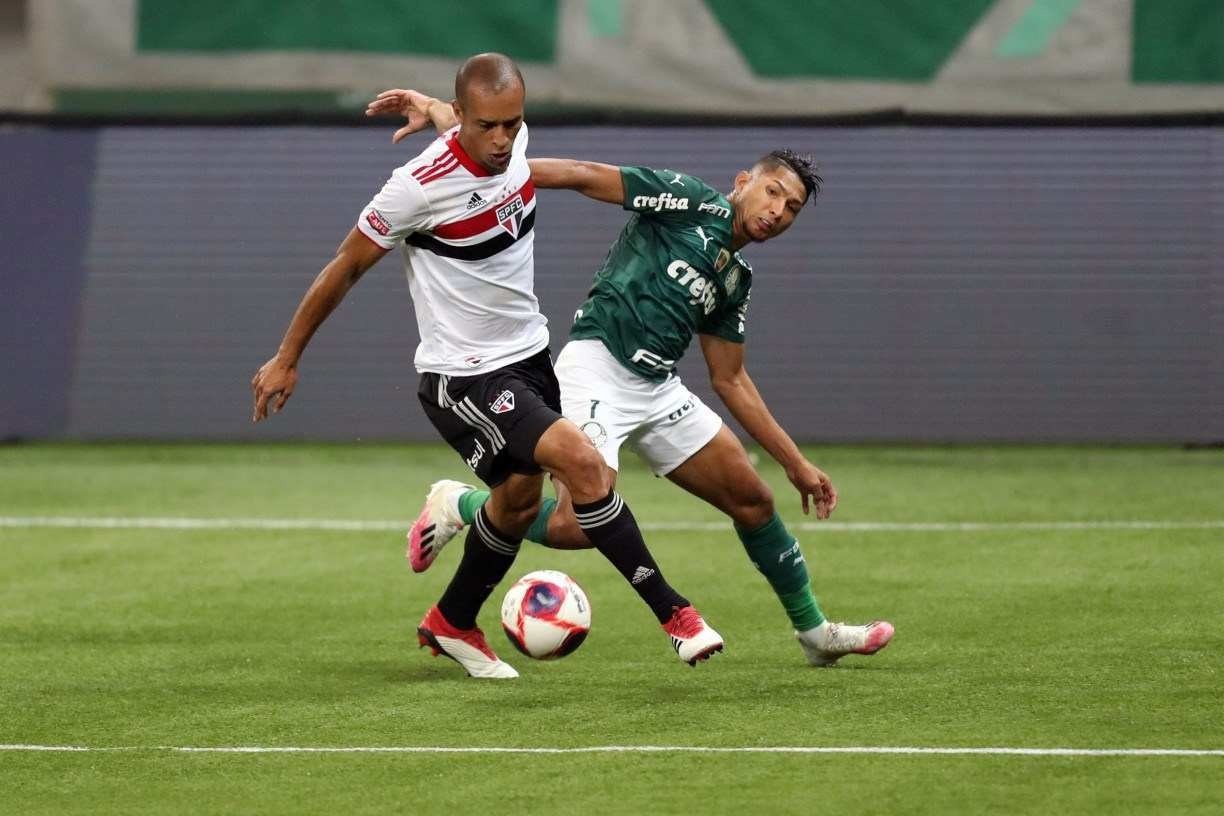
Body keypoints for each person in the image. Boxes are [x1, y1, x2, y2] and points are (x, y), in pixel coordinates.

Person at [373, 90, 893, 667]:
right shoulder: (690, 201)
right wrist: (499, 179)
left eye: (792, 207)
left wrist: (797, 464)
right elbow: (584, 173)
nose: (778, 210)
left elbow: (732, 380)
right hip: (595, 368)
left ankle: (815, 633)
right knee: (575, 527)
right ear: (744, 180)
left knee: (754, 500)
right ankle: (462, 503)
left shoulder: (735, 279)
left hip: (658, 388)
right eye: (773, 191)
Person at [252, 53, 724, 681]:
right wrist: (287, 357)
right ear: (465, 122)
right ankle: (678, 617)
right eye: (488, 126)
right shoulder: (417, 185)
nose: (504, 140)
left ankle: (451, 620)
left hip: (530, 358)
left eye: (513, 123)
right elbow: (345, 265)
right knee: (582, 463)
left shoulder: (505, 139)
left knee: (520, 504)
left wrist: (433, 106)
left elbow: (465, 119)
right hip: (465, 376)